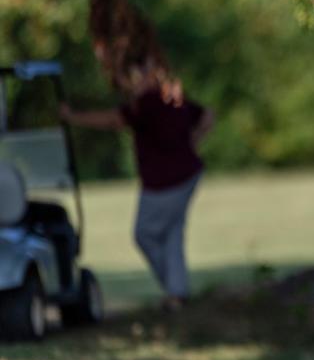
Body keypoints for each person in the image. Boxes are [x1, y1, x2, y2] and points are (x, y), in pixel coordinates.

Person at [60, 65, 214, 313]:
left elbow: (112, 120)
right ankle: (177, 294)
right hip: (188, 174)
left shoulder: (146, 104)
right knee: (172, 231)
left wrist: (72, 117)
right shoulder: (171, 99)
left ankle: (175, 289)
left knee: (144, 233)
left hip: (165, 182)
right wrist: (191, 143)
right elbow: (207, 116)